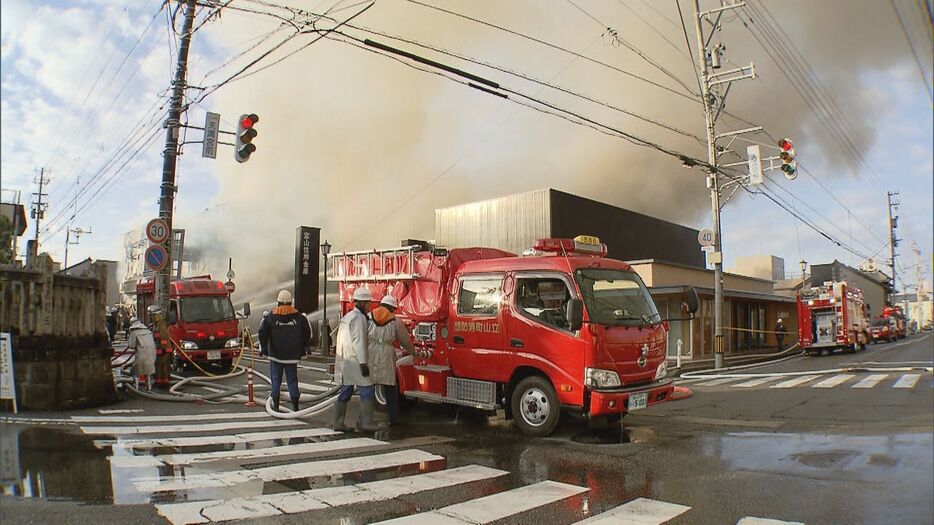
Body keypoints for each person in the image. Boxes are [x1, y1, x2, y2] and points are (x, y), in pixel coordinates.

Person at [334, 287, 384, 432]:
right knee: (367, 389)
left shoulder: (348, 316)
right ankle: (365, 423)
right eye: (368, 303)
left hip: (346, 360)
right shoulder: (359, 318)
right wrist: (363, 363)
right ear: (362, 303)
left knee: (346, 390)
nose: (369, 305)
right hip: (356, 361)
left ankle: (338, 423)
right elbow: (359, 341)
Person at [368, 295, 422, 426]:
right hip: (386, 351)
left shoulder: (368, 317)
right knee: (389, 386)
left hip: (371, 350)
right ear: (392, 308)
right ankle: (393, 418)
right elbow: (405, 341)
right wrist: (414, 353)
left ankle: (366, 417)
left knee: (369, 385)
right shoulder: (395, 321)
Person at [258, 290, 310, 412]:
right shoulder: (300, 318)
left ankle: (275, 406)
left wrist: (264, 349)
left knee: (276, 380)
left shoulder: (271, 317)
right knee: (292, 380)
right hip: (292, 355)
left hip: (275, 355)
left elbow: (262, 332)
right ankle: (295, 407)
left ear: (278, 302)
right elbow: (307, 333)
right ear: (291, 302)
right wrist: (304, 347)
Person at [127, 316, 156, 389]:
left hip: (141, 353)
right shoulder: (147, 330)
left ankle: (136, 386)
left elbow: (131, 345)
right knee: (148, 371)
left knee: (136, 370)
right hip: (152, 353)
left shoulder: (134, 331)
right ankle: (148, 385)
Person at [147, 305, 172, 388]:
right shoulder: (156, 324)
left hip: (163, 348)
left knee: (158, 365)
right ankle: (164, 381)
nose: (151, 317)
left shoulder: (161, 324)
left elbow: (163, 337)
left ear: (156, 315)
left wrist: (162, 348)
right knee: (163, 365)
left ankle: (159, 381)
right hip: (160, 348)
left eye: (152, 315)